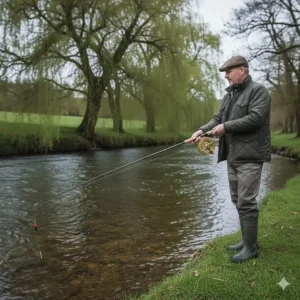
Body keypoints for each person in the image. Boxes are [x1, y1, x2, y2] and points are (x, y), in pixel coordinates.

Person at [185, 56, 271, 263]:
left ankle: (251, 248)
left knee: (247, 201)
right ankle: (247, 240)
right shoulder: (229, 96)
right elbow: (217, 119)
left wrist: (226, 127)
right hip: (232, 156)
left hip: (250, 156)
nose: (225, 76)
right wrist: (201, 131)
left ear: (242, 70)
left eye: (228, 72)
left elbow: (255, 118)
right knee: (237, 200)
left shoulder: (259, 91)